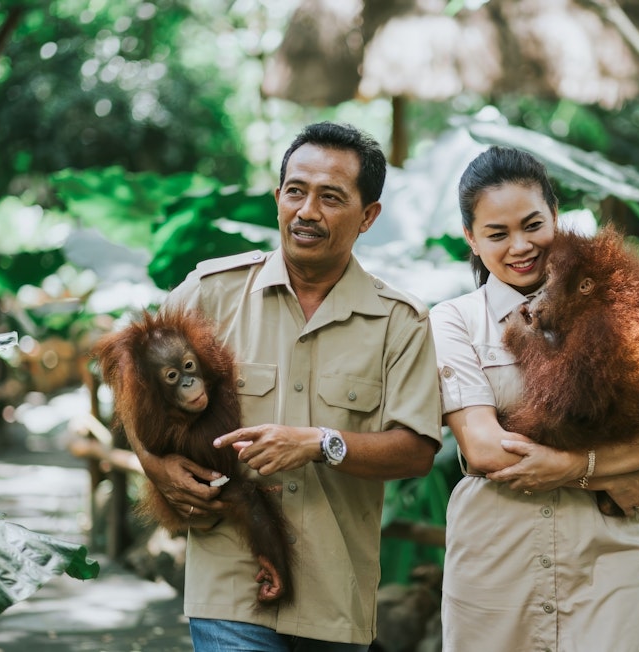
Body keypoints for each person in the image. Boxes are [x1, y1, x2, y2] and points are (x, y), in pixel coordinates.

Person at [126, 121, 442, 652]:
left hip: (335, 598)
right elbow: (133, 384)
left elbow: (414, 452)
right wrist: (154, 464)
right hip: (230, 588)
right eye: (295, 191)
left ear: (368, 217)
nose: (307, 211)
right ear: (278, 197)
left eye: (331, 198)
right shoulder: (210, 293)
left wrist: (322, 443)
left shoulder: (400, 322)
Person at [430, 146, 639, 651]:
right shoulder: (456, 320)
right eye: (497, 233)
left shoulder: (610, 294)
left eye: (532, 225)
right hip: (497, 558)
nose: (520, 246)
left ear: (555, 214)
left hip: (606, 556)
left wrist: (572, 467)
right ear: (471, 238)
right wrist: (613, 471)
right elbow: (484, 448)